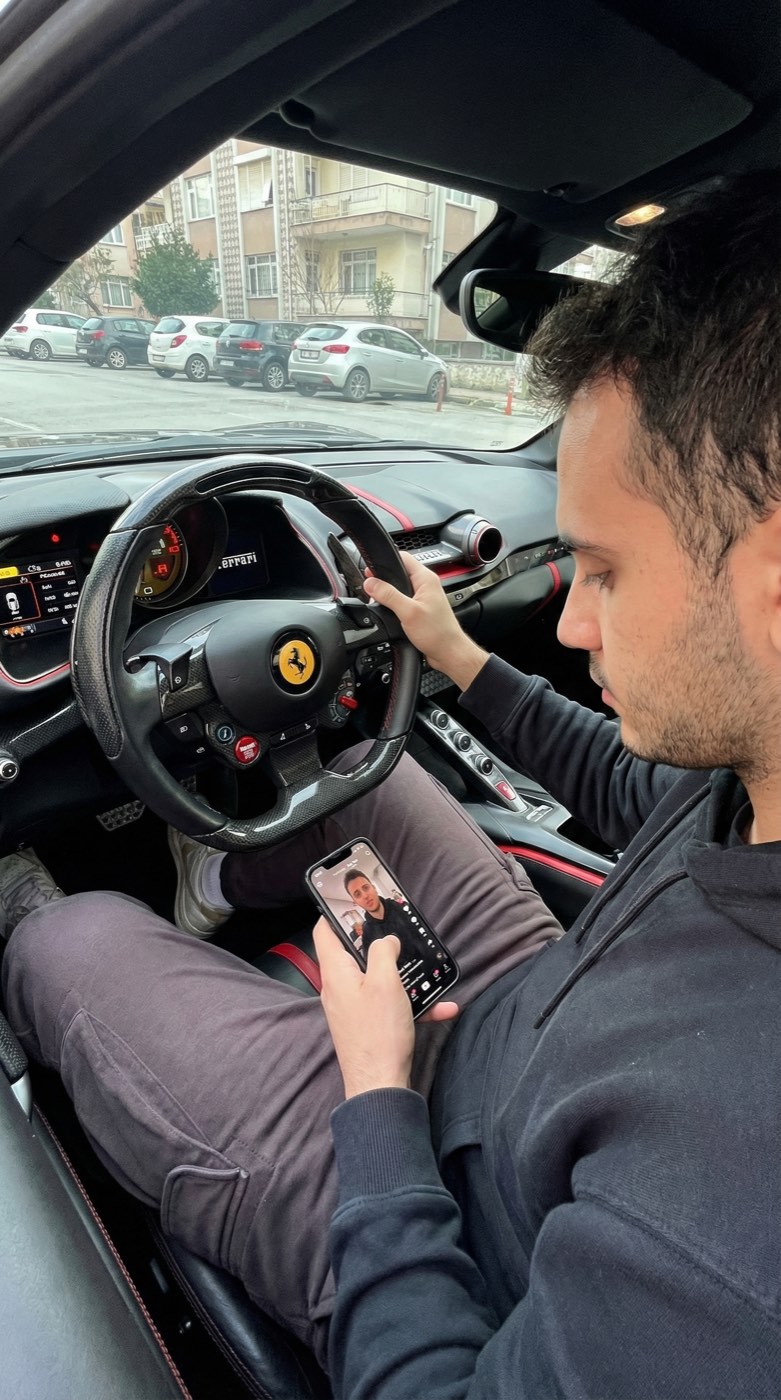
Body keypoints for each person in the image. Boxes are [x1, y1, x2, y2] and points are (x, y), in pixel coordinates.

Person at [2, 171, 780, 1397]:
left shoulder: (733, 1244)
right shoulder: (758, 767)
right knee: (360, 786)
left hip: (446, 1212)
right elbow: (647, 801)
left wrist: (375, 1088)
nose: (569, 619)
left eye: (602, 570)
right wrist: (462, 657)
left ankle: (101, 917)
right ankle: (212, 881)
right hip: (545, 1017)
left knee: (70, 935)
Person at [342, 868, 423, 963]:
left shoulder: (402, 907)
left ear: (374, 888)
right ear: (355, 902)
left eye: (366, 888)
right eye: (357, 894)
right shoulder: (367, 934)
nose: (365, 896)